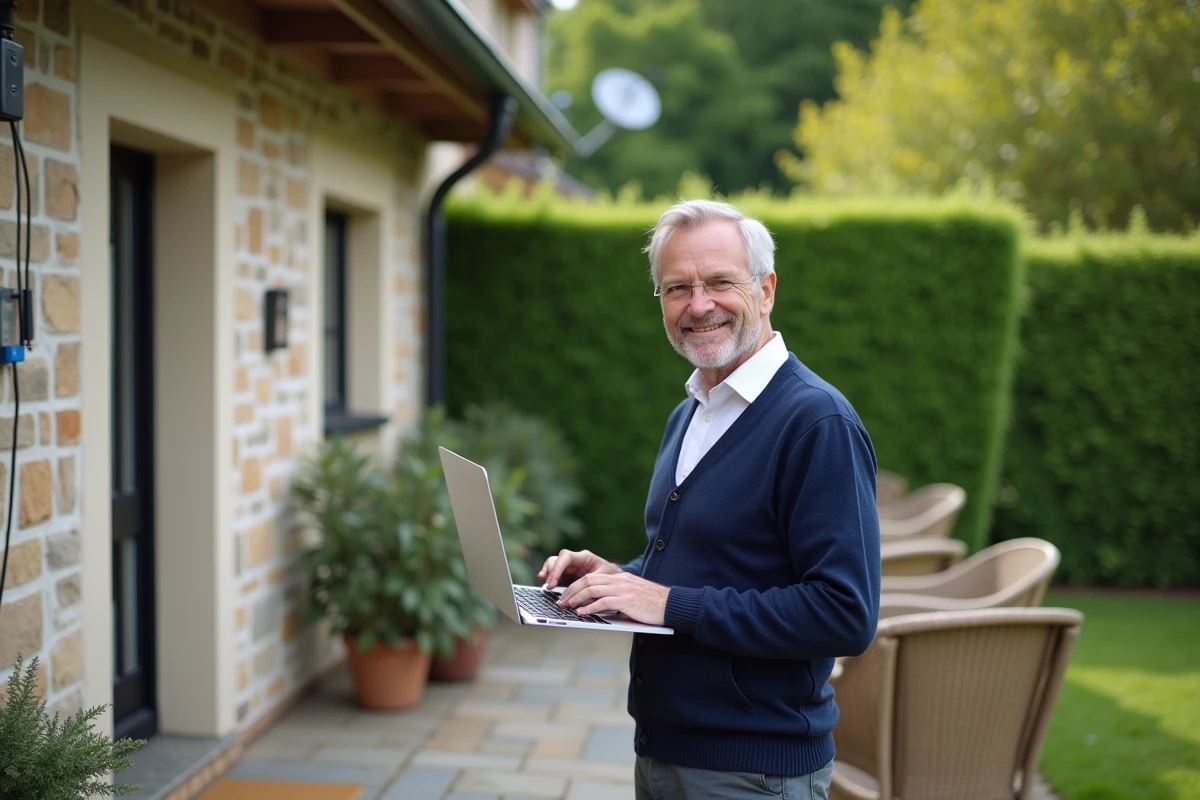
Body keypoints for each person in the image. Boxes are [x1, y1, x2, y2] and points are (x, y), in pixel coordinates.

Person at [539, 199, 881, 800]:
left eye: (721, 281)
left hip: (754, 770)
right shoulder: (692, 411)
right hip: (669, 749)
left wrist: (668, 603)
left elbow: (844, 614)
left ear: (766, 289)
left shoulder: (817, 421)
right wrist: (619, 578)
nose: (699, 305)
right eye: (677, 288)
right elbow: (712, 564)